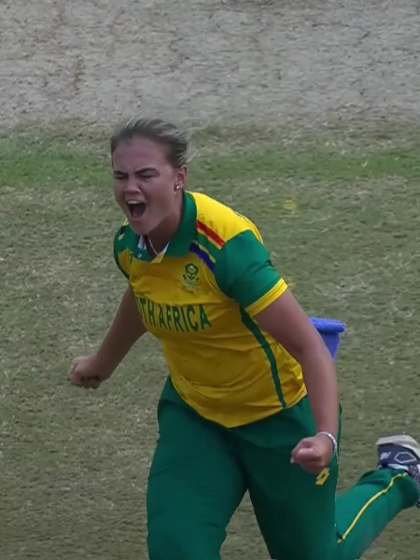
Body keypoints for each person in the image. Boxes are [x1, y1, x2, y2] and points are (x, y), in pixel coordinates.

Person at [69, 116, 420, 560]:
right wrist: (103, 363)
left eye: (145, 175)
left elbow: (309, 346)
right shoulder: (130, 245)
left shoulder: (226, 246)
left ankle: (399, 477)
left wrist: (326, 437)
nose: (130, 189)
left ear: (179, 179)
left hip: (280, 419)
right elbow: (143, 294)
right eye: (121, 177)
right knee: (177, 550)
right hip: (197, 418)